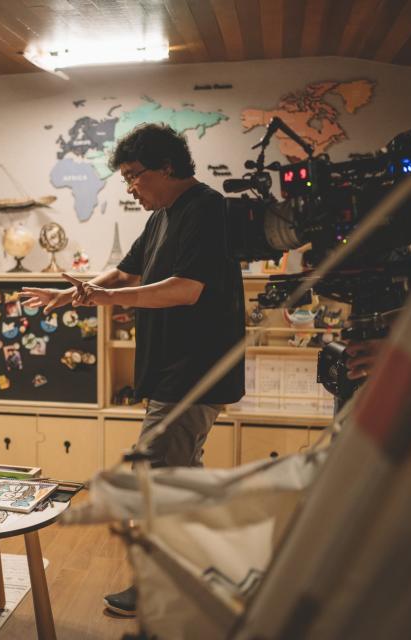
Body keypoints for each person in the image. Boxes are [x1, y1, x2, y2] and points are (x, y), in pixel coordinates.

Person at [20, 124, 245, 617]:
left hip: (196, 371)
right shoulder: (162, 216)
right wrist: (76, 293)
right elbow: (126, 272)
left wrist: (107, 297)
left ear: (167, 166)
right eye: (124, 179)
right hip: (172, 370)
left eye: (134, 176)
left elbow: (185, 288)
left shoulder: (209, 210)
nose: (130, 187)